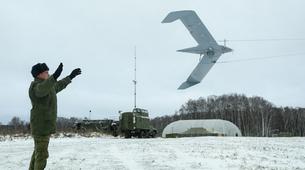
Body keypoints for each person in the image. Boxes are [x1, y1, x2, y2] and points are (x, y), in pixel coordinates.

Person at [28, 62, 81, 170]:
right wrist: (55, 76)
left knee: (38, 153)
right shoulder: (36, 86)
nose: (48, 74)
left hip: (44, 126)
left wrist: (70, 76)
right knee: (41, 156)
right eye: (46, 72)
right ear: (39, 74)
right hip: (41, 127)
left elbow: (58, 85)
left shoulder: (48, 87)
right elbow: (42, 90)